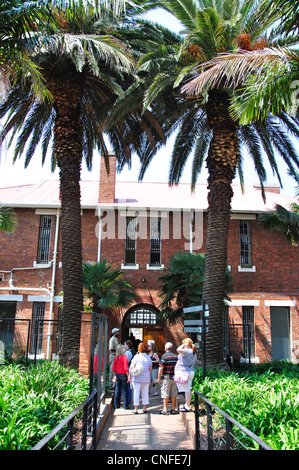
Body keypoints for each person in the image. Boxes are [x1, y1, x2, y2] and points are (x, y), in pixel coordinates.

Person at [128, 342, 152, 414]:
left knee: (136, 392)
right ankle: (144, 408)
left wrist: (130, 375)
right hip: (146, 378)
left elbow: (131, 367)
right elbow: (150, 368)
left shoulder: (136, 357)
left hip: (137, 377)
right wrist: (148, 375)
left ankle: (136, 408)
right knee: (145, 392)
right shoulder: (148, 358)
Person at [175, 338, 196, 412]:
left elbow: (178, 349)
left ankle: (187, 405)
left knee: (187, 389)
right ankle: (187, 404)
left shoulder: (186, 351)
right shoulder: (193, 352)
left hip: (185, 372)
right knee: (188, 388)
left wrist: (183, 345)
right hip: (190, 371)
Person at [158, 342, 178, 415]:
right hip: (174, 377)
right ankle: (173, 408)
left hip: (166, 377)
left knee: (165, 393)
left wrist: (159, 377)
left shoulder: (164, 356)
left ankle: (165, 409)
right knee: (173, 393)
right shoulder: (176, 357)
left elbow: (161, 367)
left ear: (166, 348)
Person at [113, 344, 129, 409]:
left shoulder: (116, 357)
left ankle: (116, 404)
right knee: (125, 390)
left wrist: (115, 375)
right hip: (123, 374)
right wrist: (128, 376)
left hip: (117, 374)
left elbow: (114, 368)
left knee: (117, 389)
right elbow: (125, 368)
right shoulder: (124, 357)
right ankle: (125, 405)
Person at [124, 339, 135, 406]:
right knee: (129, 386)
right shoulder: (130, 352)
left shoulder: (127, 353)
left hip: (127, 370)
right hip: (129, 369)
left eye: (124, 344)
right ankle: (129, 400)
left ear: (127, 345)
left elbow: (126, 362)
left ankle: (128, 400)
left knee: (127, 386)